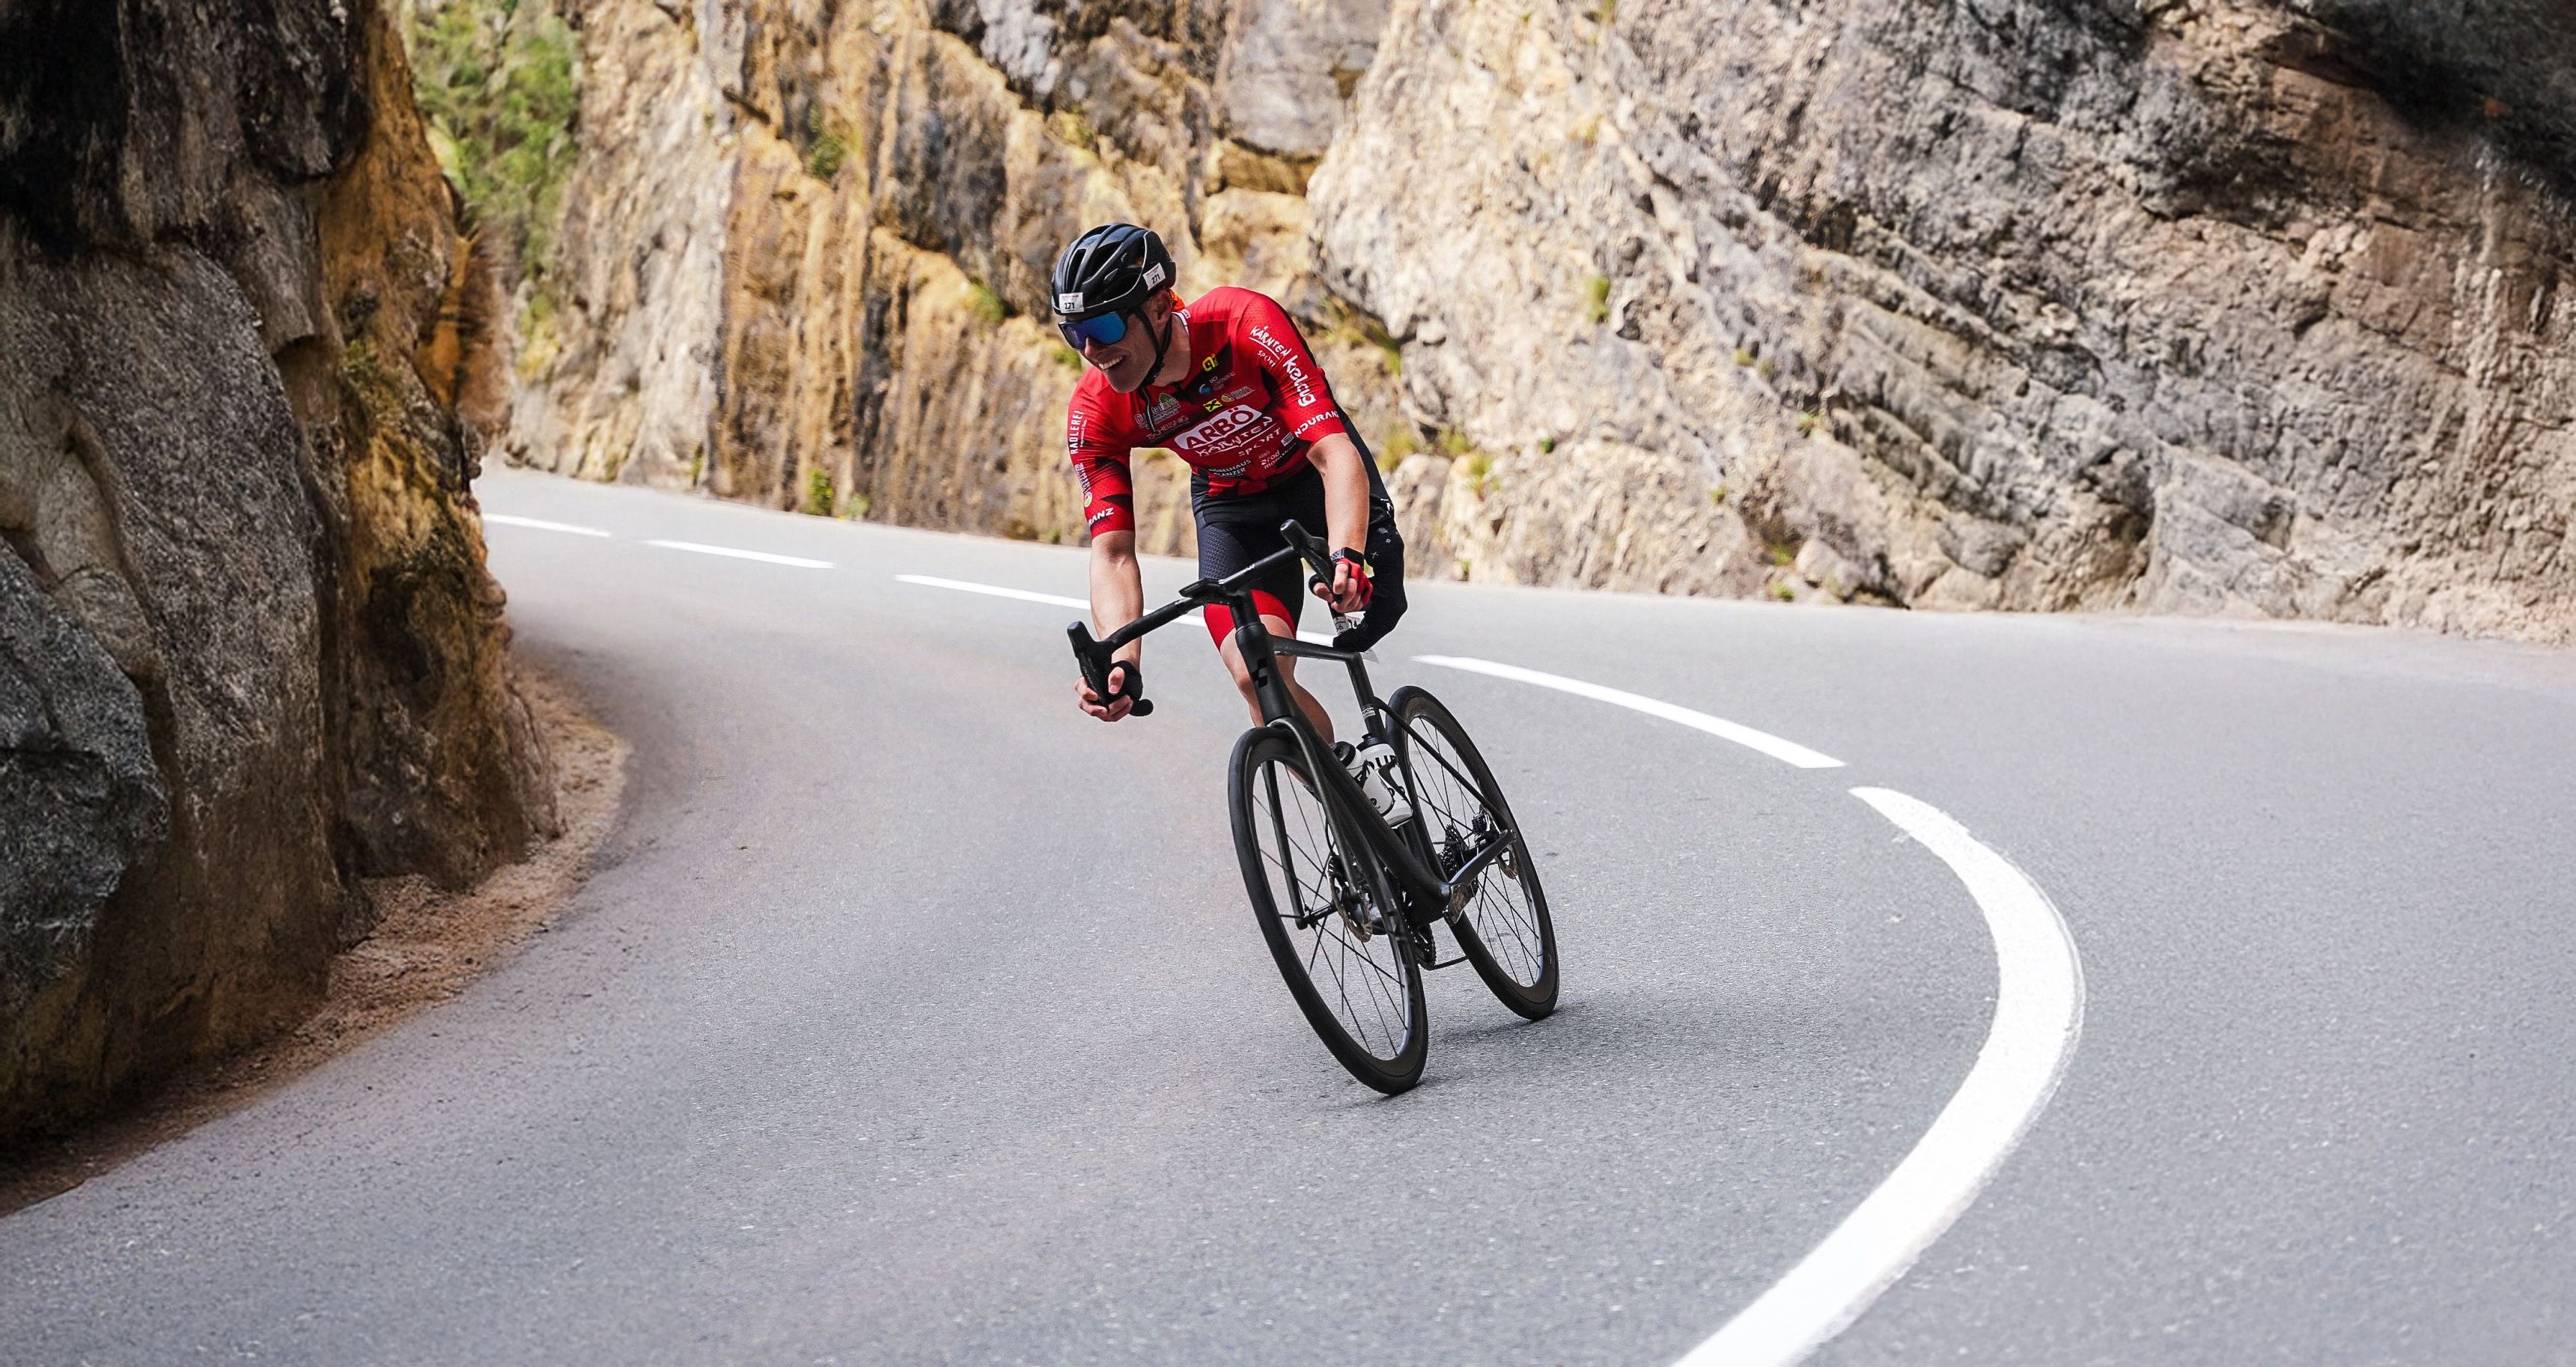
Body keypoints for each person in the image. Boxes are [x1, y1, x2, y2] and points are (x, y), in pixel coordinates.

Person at [1056, 222, 1407, 755]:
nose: (1092, 351)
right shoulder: (1095, 409)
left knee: (1373, 606)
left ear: (1156, 306)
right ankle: (1358, 801)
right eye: (1074, 334)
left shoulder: (1242, 323)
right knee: (1254, 675)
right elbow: (1112, 553)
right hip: (1233, 508)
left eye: (1102, 328)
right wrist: (1120, 661)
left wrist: (1348, 555)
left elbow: (1332, 452)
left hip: (1316, 477)